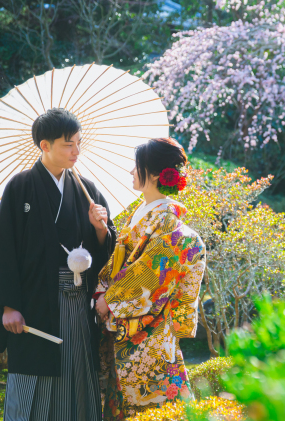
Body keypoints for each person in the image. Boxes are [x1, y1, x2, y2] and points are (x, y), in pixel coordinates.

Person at [0, 108, 117, 421]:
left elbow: (108, 250)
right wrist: (7, 306)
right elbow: (4, 249)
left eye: (78, 143)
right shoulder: (20, 187)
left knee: (77, 372)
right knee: (34, 376)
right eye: (68, 144)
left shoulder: (89, 191)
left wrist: (100, 229)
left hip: (77, 302)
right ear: (45, 145)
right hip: (33, 302)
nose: (76, 151)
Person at [94, 138, 206, 419]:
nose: (131, 171)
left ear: (154, 174)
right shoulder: (145, 214)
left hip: (150, 328)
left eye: (137, 166)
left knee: (155, 408)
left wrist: (109, 299)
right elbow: (125, 265)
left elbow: (150, 275)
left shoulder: (167, 221)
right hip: (129, 327)